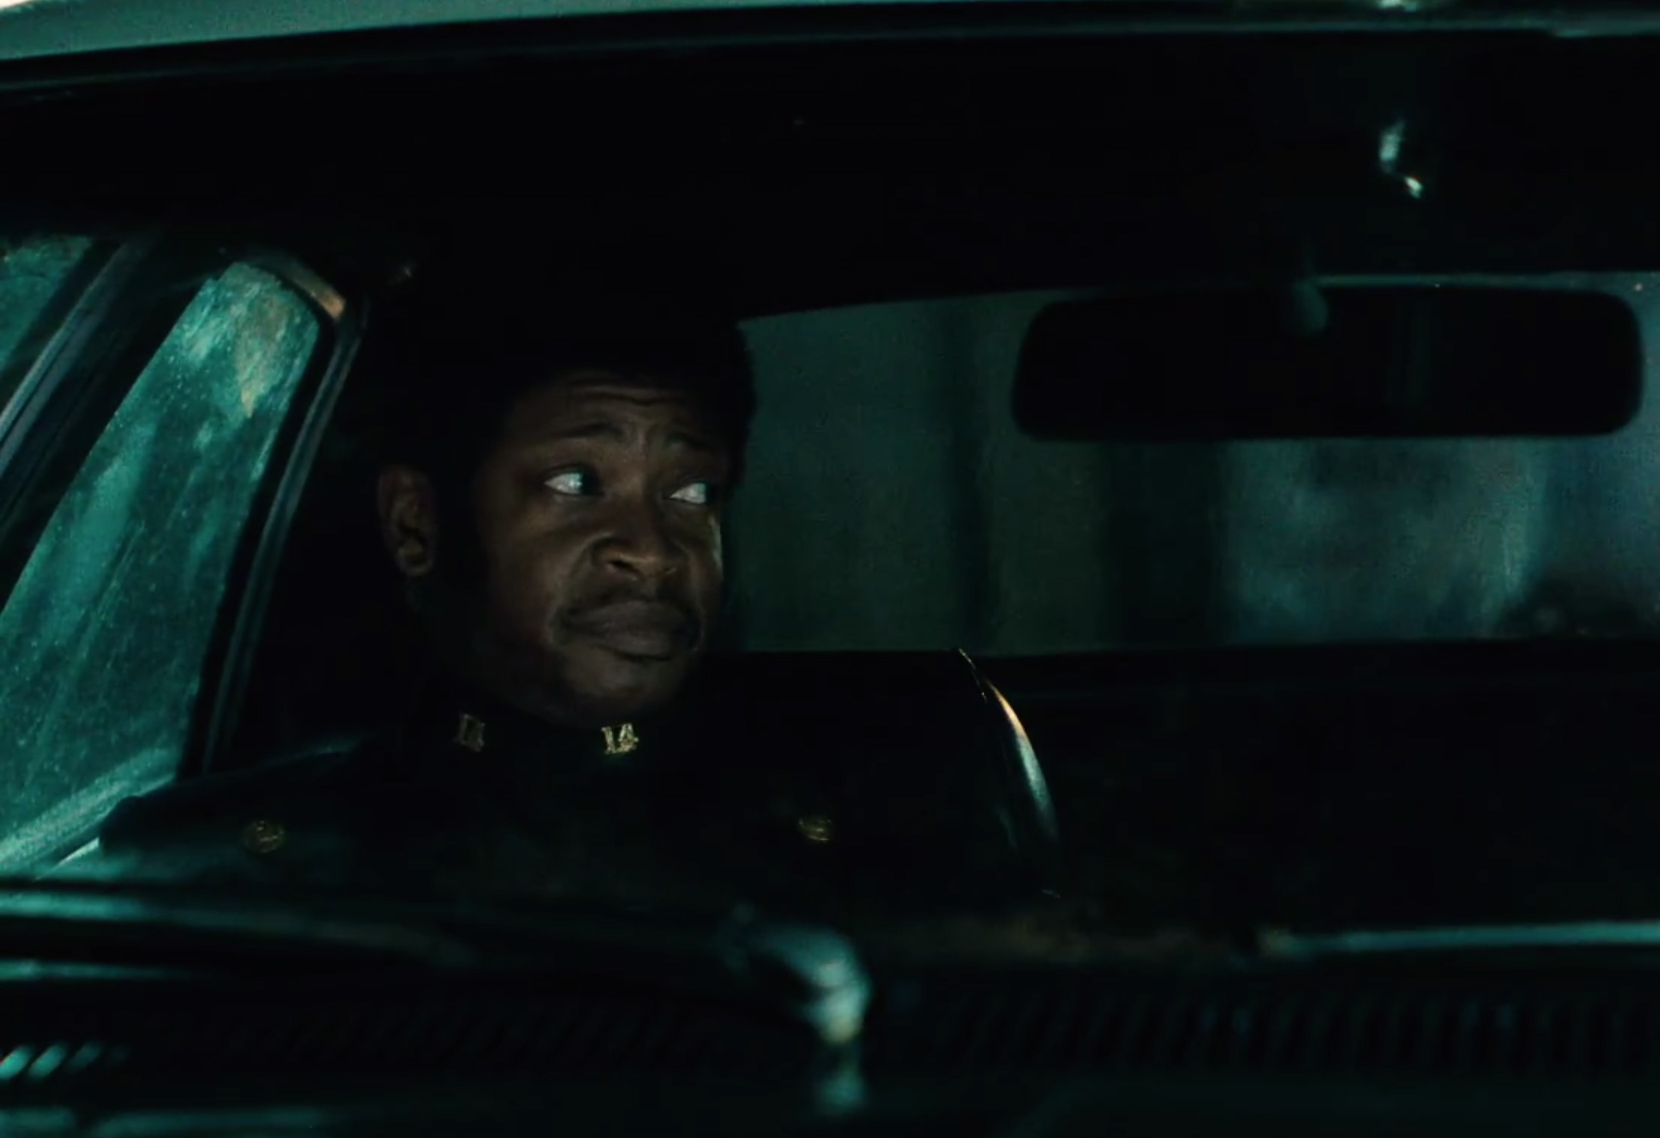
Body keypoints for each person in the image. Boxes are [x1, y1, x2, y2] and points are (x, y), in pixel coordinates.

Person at [83, 284, 1056, 917]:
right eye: (577, 484)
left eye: (693, 493)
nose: (653, 551)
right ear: (417, 526)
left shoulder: (904, 830)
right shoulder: (232, 877)